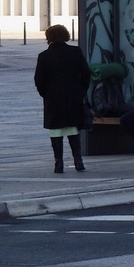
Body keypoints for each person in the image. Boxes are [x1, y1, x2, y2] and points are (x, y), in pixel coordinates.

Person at [33, 24, 91, 173]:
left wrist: (45, 93)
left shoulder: (44, 56)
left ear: (49, 37)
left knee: (55, 130)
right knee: (73, 129)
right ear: (66, 35)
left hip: (53, 98)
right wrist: (81, 90)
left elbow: (39, 79)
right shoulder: (75, 52)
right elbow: (86, 73)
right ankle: (78, 161)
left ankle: (58, 163)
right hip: (73, 96)